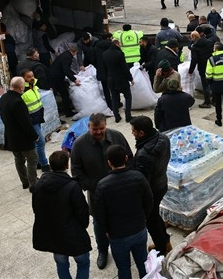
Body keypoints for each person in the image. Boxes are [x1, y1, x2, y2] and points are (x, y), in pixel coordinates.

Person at [71, 113, 134, 270]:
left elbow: (130, 158)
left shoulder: (117, 136)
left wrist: (123, 178)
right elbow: (77, 172)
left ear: (106, 125)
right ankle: (103, 251)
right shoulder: (79, 145)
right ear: (89, 127)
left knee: (123, 218)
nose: (98, 132)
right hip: (97, 194)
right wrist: (95, 186)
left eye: (101, 128)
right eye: (95, 129)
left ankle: (127, 246)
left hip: (121, 191)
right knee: (99, 224)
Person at [93, 145, 152, 279]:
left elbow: (99, 214)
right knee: (143, 263)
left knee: (123, 268)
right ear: (126, 158)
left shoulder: (102, 185)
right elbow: (149, 200)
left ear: (109, 162)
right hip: (139, 230)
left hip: (118, 235)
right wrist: (144, 217)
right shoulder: (138, 177)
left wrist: (106, 230)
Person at [32, 151, 91, 279]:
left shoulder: (39, 185)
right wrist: (83, 225)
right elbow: (82, 211)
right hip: (73, 234)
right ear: (66, 165)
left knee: (61, 264)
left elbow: (36, 208)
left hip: (54, 237)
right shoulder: (72, 186)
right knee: (83, 263)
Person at [130, 116, 172, 256]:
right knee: (155, 215)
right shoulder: (163, 138)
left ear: (141, 133)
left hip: (152, 190)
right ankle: (165, 240)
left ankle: (161, 248)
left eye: (134, 131)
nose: (132, 133)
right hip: (162, 182)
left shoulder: (144, 155)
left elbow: (143, 182)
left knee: (151, 220)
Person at [0, 76, 39, 192]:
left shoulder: (3, 98)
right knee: (32, 159)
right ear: (21, 87)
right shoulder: (18, 102)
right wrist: (34, 136)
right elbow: (25, 123)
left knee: (19, 159)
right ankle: (33, 184)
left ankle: (25, 181)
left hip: (11, 136)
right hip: (23, 138)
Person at [20, 69, 49, 172]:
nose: (32, 78)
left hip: (38, 118)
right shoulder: (23, 91)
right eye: (28, 76)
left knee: (37, 143)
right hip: (32, 120)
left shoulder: (34, 87)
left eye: (32, 76)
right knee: (40, 141)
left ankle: (38, 163)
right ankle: (44, 164)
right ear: (23, 79)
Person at [102, 39, 134, 123]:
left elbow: (104, 69)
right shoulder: (119, 54)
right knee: (128, 96)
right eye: (120, 44)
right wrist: (130, 78)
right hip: (121, 79)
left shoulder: (104, 54)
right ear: (116, 44)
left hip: (110, 79)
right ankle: (128, 116)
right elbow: (124, 68)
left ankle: (117, 116)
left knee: (115, 98)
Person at [50, 45, 80, 117]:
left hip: (54, 75)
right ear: (75, 52)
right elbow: (66, 70)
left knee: (62, 93)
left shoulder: (65, 54)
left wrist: (74, 75)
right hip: (57, 77)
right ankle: (68, 112)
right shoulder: (67, 58)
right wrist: (75, 80)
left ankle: (66, 110)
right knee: (64, 94)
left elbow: (67, 69)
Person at [188, 31, 214, 108]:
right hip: (211, 65)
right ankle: (214, 100)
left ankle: (207, 102)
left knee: (205, 85)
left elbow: (194, 60)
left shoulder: (195, 47)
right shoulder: (210, 42)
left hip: (203, 67)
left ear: (193, 38)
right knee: (212, 83)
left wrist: (190, 71)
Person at [94, 32, 114, 110]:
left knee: (105, 89)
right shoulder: (110, 46)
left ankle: (109, 104)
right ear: (108, 38)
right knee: (113, 88)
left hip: (101, 70)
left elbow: (93, 59)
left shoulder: (96, 47)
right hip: (110, 70)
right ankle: (116, 103)